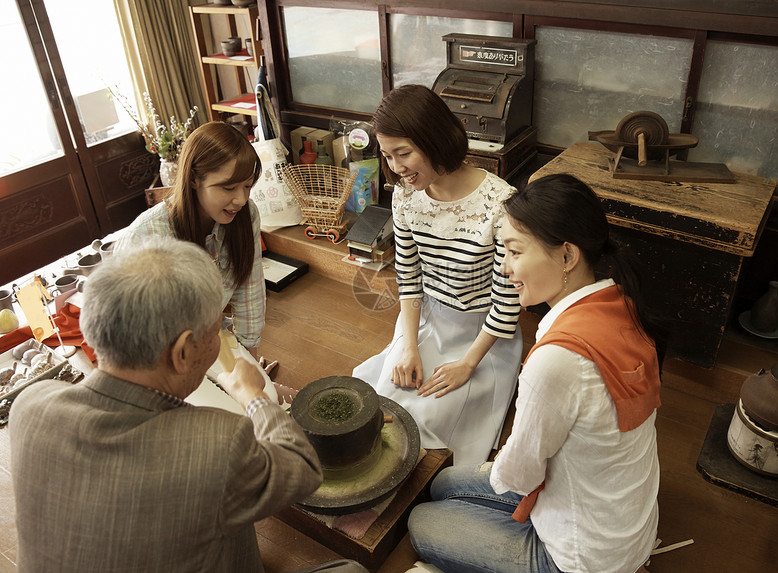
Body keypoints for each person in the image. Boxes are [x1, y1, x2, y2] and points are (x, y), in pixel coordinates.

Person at [9, 237, 366, 573]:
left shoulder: (29, 406)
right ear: (182, 352)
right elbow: (301, 470)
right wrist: (252, 396)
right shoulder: (215, 443)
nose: (220, 341)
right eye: (216, 332)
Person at [407, 173, 663, 573]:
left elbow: (521, 474)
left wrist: (503, 466)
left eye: (514, 251)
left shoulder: (557, 361)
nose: (506, 269)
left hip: (584, 558)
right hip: (623, 526)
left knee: (421, 523)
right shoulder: (620, 304)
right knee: (442, 485)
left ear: (566, 256)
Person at [352, 84, 522, 466]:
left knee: (428, 419)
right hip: (425, 320)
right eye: (387, 155)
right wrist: (409, 344)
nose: (396, 168)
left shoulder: (500, 203)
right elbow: (409, 277)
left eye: (404, 153)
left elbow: (508, 301)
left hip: (482, 337)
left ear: (436, 139)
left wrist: (467, 364)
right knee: (386, 401)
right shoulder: (405, 195)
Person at [115, 120, 279, 375]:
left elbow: (250, 287)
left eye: (247, 186)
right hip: (156, 352)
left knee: (261, 394)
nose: (241, 199)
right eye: (228, 187)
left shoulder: (246, 215)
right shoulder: (149, 236)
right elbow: (142, 330)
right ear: (193, 179)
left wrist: (249, 360)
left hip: (206, 336)